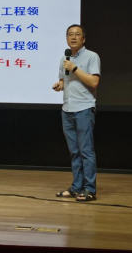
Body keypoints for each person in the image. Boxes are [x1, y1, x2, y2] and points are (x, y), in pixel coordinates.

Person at [52, 24, 100, 202]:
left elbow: (94, 82)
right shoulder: (64, 59)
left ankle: (89, 189)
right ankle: (76, 187)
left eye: (77, 34)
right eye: (70, 34)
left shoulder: (92, 57)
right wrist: (60, 85)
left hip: (84, 109)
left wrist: (74, 68)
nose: (73, 37)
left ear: (83, 39)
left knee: (86, 151)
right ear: (66, 39)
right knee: (74, 152)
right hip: (67, 109)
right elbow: (65, 81)